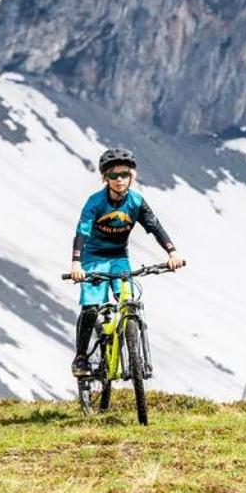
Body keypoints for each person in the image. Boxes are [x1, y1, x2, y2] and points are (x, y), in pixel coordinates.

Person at [69, 147, 184, 377]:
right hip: (92, 259)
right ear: (105, 178)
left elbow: (154, 226)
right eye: (113, 175)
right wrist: (76, 263)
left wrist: (172, 252)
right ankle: (80, 358)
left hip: (119, 258)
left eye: (124, 174)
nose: (119, 180)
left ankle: (131, 352)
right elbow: (82, 231)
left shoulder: (136, 202)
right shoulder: (95, 202)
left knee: (128, 303)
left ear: (132, 177)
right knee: (91, 307)